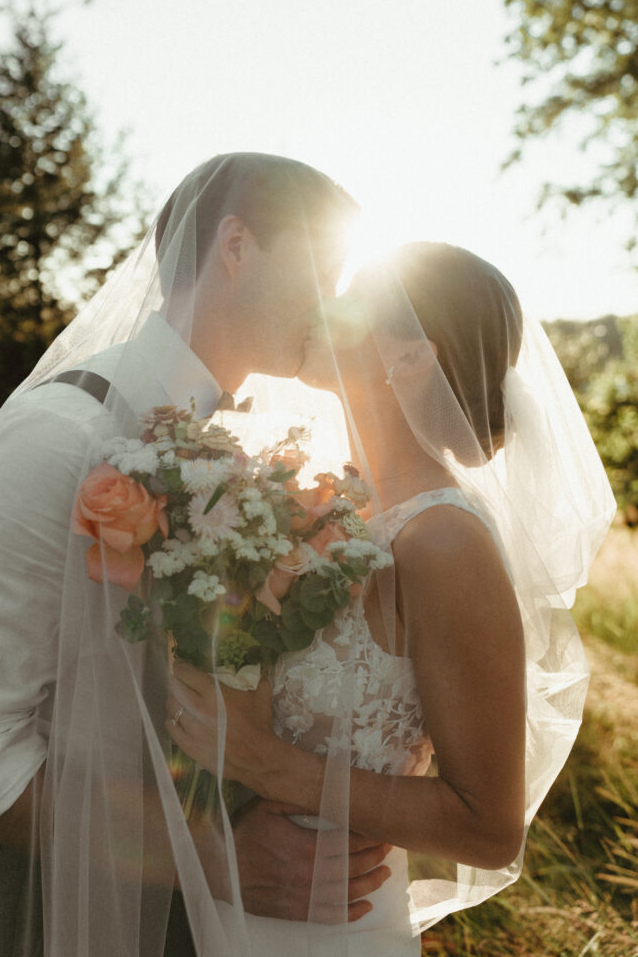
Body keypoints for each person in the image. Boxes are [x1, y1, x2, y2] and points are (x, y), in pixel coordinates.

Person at [0, 153, 394, 956]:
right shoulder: (58, 438)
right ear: (235, 248)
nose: (336, 307)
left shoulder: (238, 454)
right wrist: (205, 856)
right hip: (64, 914)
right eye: (324, 270)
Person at [166, 242, 616, 955]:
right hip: (230, 907)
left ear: (408, 359)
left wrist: (264, 764)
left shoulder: (443, 541)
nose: (318, 309)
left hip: (331, 928)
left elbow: (489, 828)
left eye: (349, 302)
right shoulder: (319, 505)